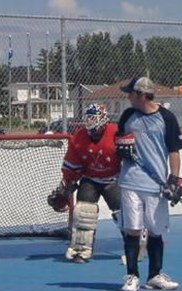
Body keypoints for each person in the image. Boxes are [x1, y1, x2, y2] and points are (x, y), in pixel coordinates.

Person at [114, 76, 182, 291]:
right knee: (133, 229)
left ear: (142, 95)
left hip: (156, 185)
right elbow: (119, 141)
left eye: (131, 93)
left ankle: (155, 275)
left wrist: (173, 181)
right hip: (131, 181)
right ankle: (132, 276)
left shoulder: (166, 118)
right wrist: (121, 148)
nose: (128, 97)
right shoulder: (128, 116)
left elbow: (174, 151)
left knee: (156, 230)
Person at [48, 104, 129, 264]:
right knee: (83, 212)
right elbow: (72, 163)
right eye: (88, 117)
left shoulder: (117, 132)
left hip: (114, 178)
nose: (90, 122)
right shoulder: (79, 137)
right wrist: (68, 184)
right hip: (90, 178)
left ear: (103, 119)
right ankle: (81, 249)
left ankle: (135, 247)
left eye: (93, 117)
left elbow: (130, 158)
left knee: (123, 214)